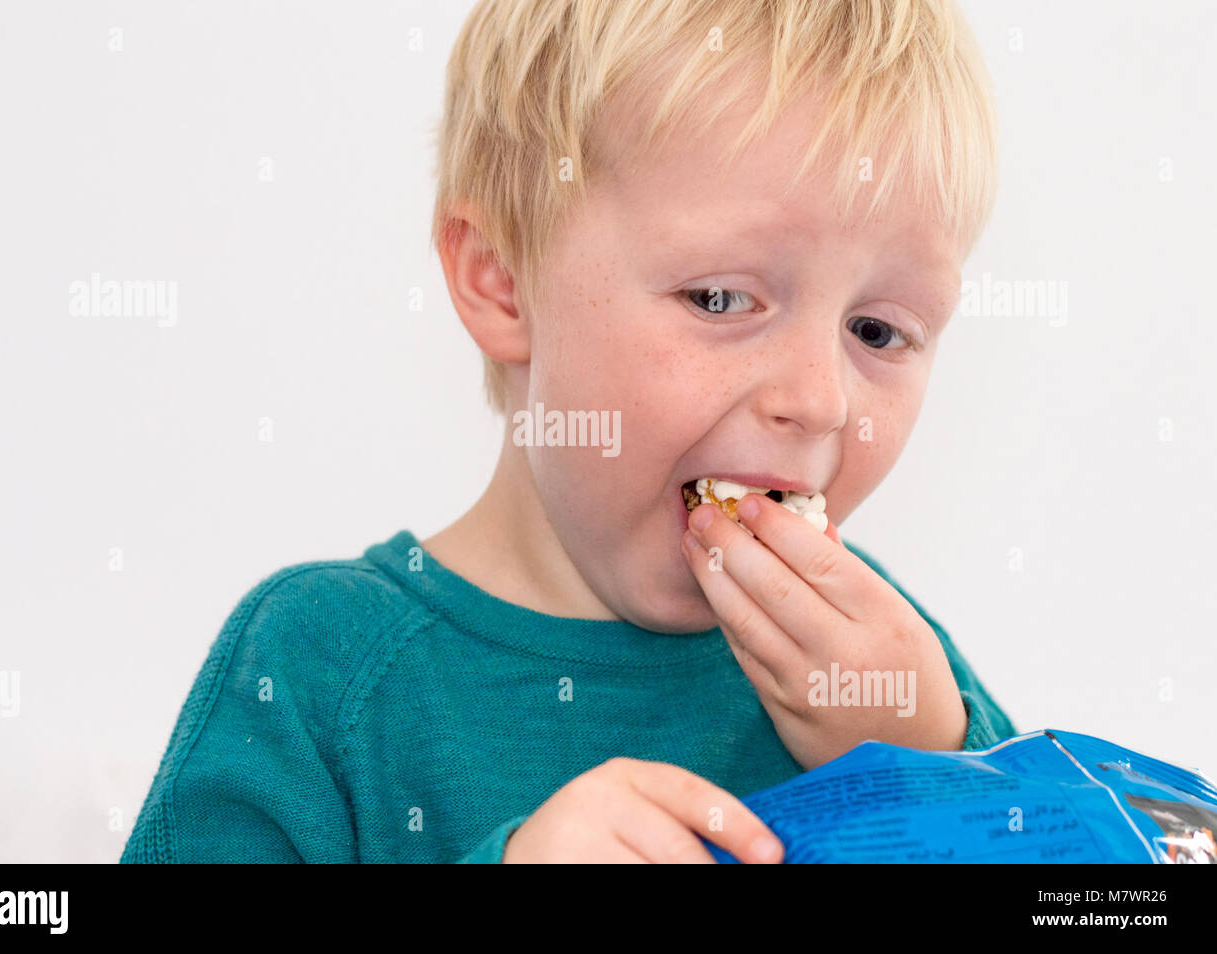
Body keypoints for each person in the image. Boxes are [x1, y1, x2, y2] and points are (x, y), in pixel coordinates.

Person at [123, 0, 1017, 864]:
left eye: (879, 333)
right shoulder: (321, 668)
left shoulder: (885, 667)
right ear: (503, 280)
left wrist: (938, 766)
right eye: (718, 298)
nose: (820, 399)